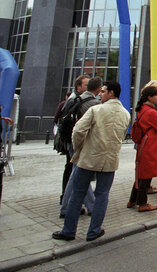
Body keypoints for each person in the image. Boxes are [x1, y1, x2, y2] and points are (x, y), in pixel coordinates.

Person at [52, 80, 130, 242]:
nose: (100, 94)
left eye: (103, 91)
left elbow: (78, 131)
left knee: (77, 193)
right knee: (102, 195)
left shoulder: (96, 110)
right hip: (109, 160)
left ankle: (69, 231)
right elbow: (121, 136)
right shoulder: (125, 114)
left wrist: (79, 148)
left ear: (111, 93)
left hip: (88, 158)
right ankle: (94, 230)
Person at [59, 76, 103, 218]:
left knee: (77, 173)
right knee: (79, 174)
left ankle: (70, 206)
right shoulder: (94, 104)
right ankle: (86, 206)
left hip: (71, 141)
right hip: (83, 143)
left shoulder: (73, 99)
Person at [127, 84, 157, 212]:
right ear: (149, 97)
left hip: (144, 143)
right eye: (155, 95)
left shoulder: (142, 109)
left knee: (141, 173)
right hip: (150, 144)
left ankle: (133, 199)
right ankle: (142, 203)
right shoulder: (151, 112)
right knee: (146, 174)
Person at [54, 74, 89, 204]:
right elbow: (60, 120)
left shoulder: (79, 99)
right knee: (72, 169)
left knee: (74, 169)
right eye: (86, 84)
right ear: (78, 86)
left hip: (73, 140)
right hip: (72, 141)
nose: (88, 86)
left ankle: (69, 198)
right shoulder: (73, 100)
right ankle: (67, 198)